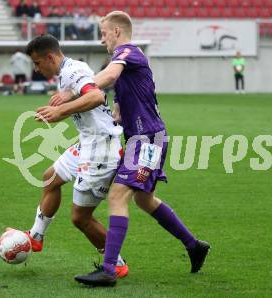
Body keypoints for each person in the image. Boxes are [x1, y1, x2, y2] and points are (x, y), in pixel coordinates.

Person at [72, 11, 210, 286]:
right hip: (142, 138)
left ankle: (109, 270)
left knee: (118, 196)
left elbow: (109, 76)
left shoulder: (128, 52)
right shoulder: (126, 67)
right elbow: (119, 111)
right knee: (143, 200)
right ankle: (194, 246)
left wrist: (76, 89)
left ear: (117, 32)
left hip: (147, 139)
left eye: (104, 33)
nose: (102, 40)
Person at [9, 34, 129, 278]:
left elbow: (96, 96)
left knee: (80, 217)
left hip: (100, 150)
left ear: (50, 57)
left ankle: (116, 263)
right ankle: (36, 236)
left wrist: (60, 111)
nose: (35, 68)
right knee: (50, 177)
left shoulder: (73, 71)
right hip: (88, 143)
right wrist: (62, 107)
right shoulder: (69, 71)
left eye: (37, 63)